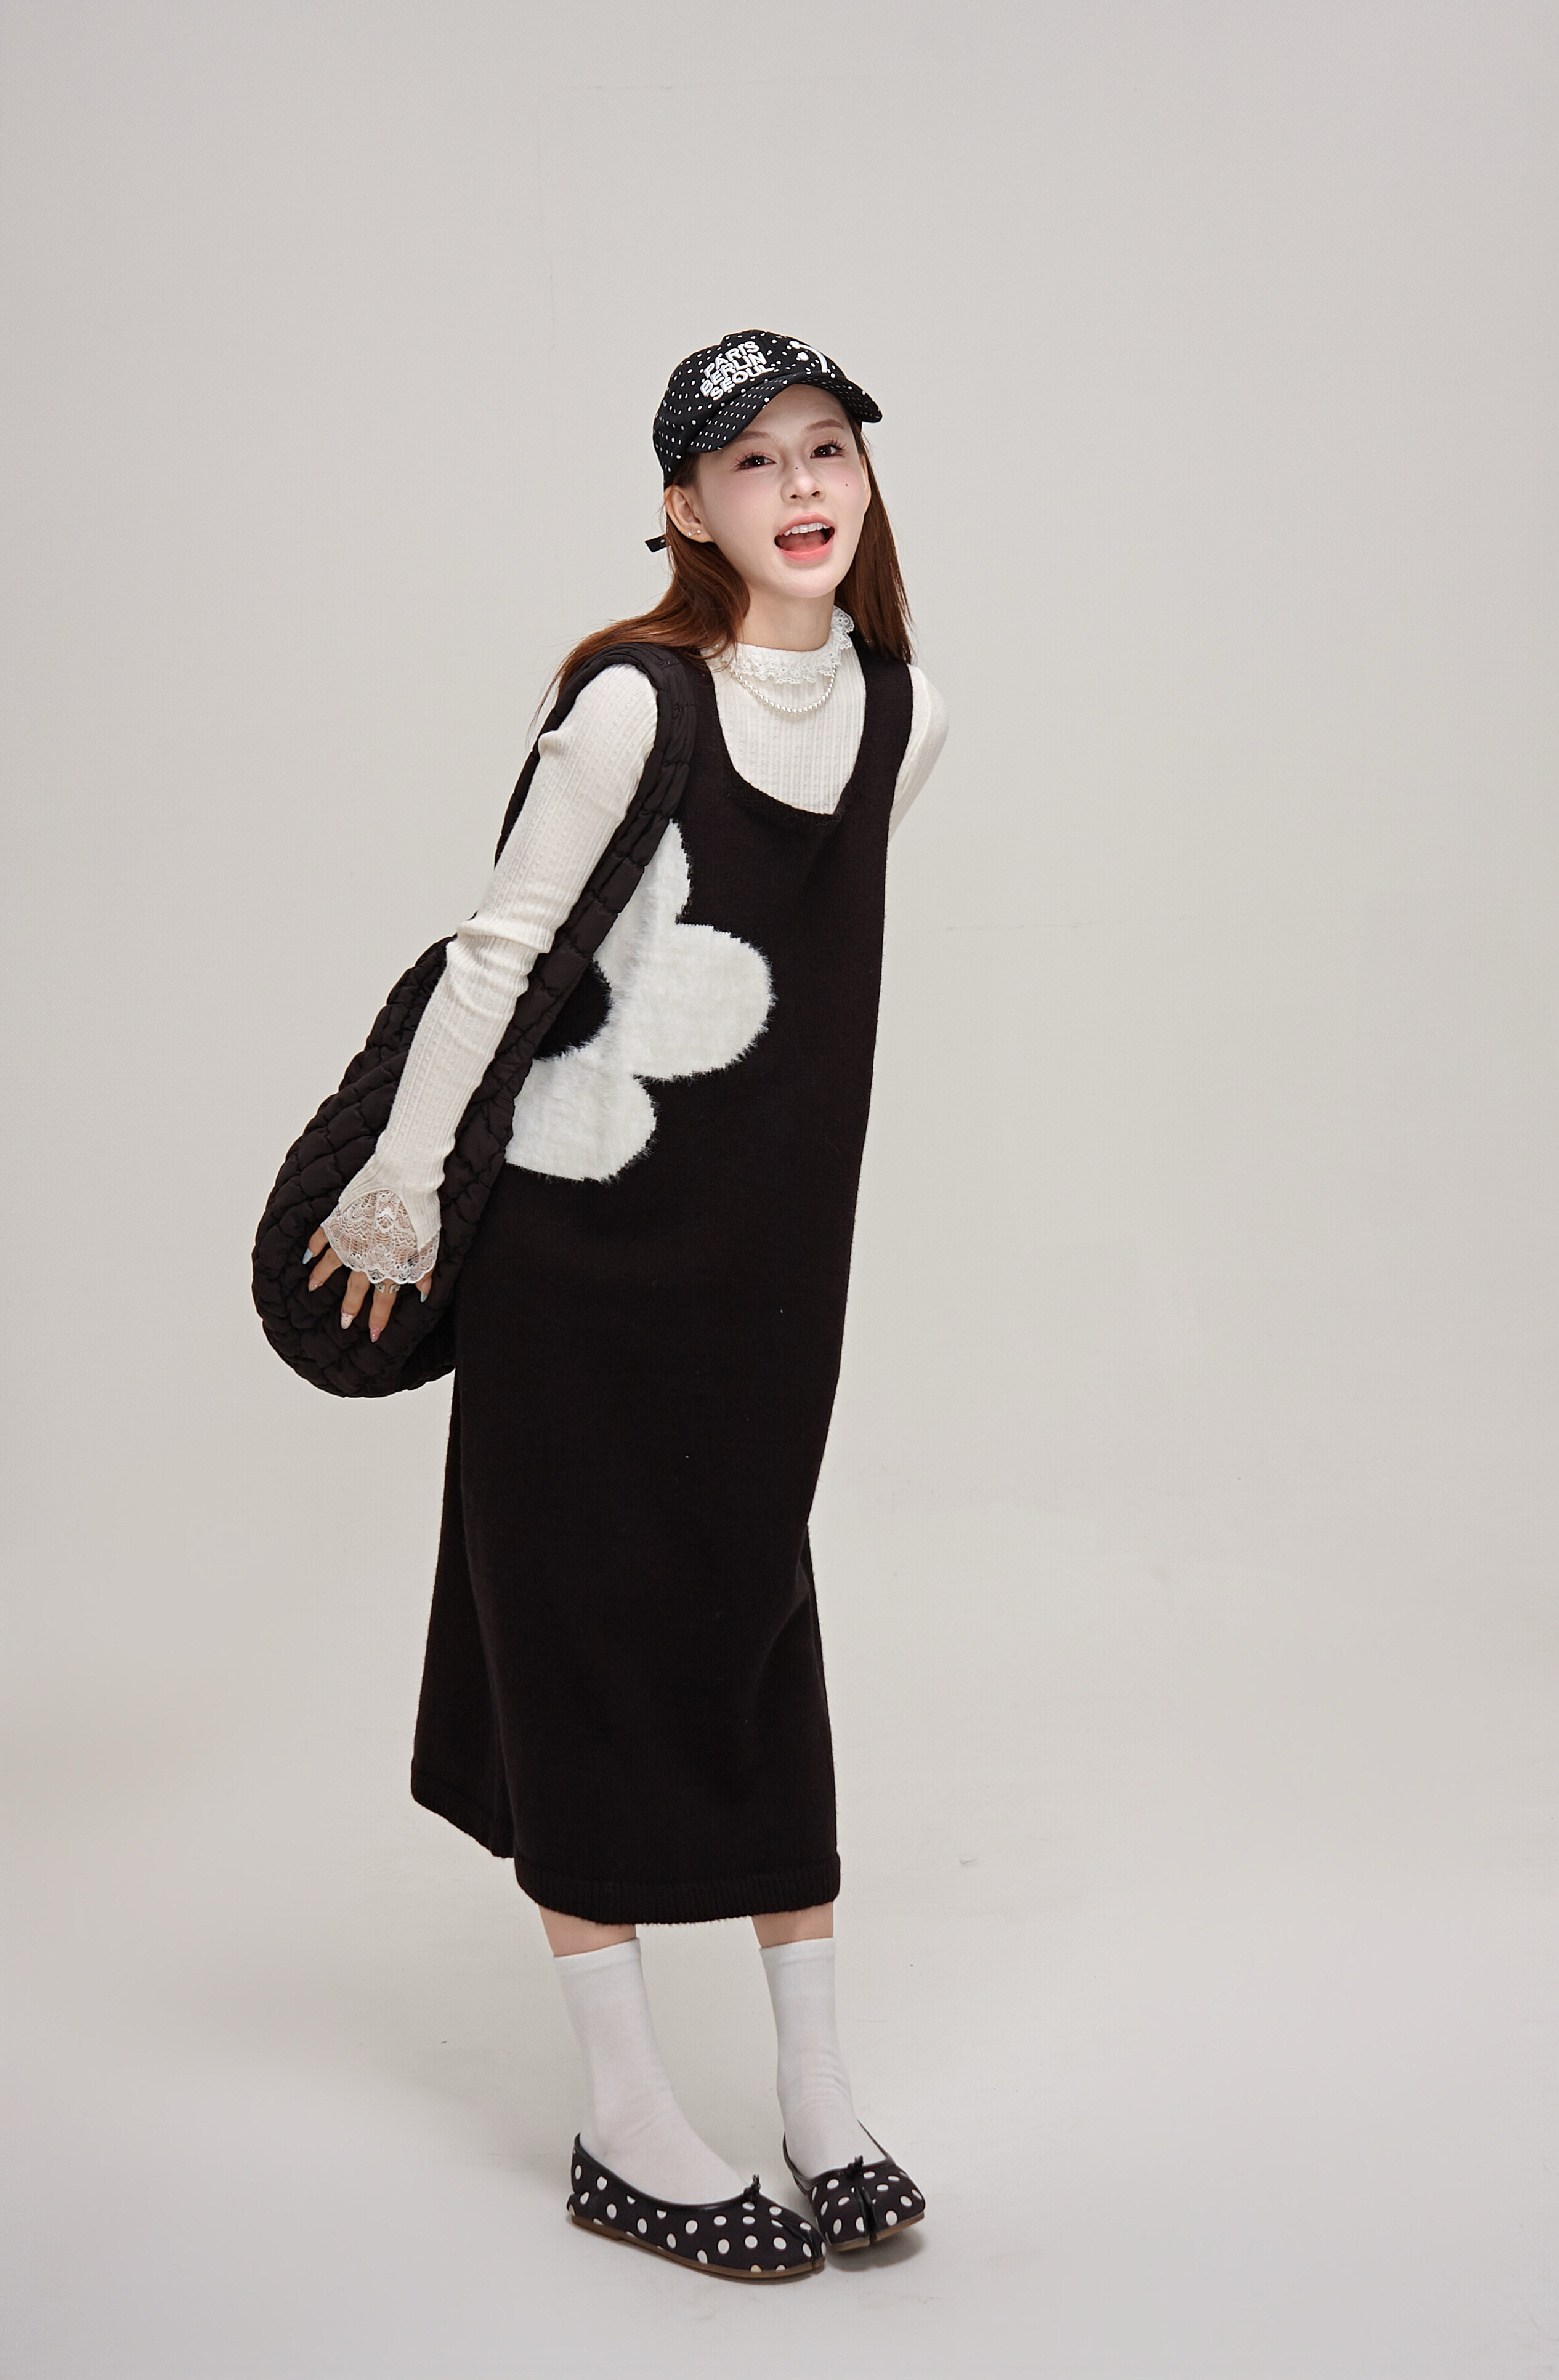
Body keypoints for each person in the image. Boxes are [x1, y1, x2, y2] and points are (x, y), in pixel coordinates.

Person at [303, 331, 947, 2280]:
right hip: (578, 1262)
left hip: (765, 1270)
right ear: (686, 506)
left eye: (824, 448)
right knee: (575, 1642)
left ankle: (814, 2087)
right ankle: (623, 2114)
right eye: (751, 461)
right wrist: (404, 1190)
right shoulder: (627, 703)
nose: (800, 486)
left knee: (755, 1624)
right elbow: (497, 955)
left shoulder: (905, 712)